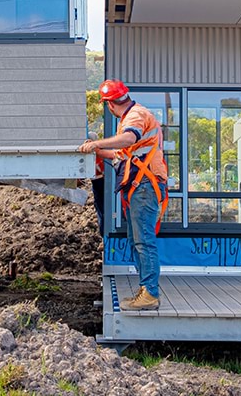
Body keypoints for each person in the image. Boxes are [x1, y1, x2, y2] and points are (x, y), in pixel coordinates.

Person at [78, 79, 167, 310]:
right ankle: (146, 291)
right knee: (136, 241)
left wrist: (96, 142)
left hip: (146, 187)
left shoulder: (135, 116)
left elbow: (129, 139)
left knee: (144, 241)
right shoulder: (131, 118)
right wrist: (97, 150)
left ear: (109, 104)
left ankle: (150, 293)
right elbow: (120, 155)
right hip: (140, 187)